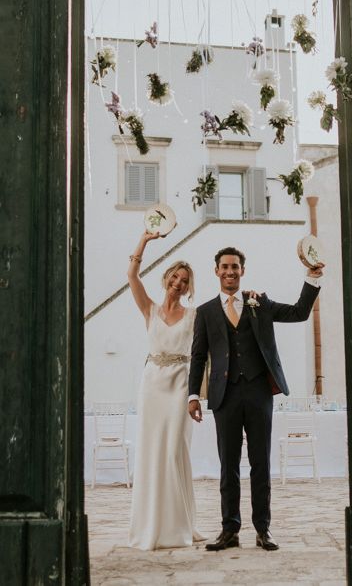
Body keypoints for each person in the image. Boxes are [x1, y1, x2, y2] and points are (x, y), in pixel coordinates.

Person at [188, 246, 324, 552]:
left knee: (260, 462)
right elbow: (198, 356)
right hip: (224, 395)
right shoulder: (206, 311)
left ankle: (263, 529)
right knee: (229, 465)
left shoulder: (258, 302)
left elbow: (299, 313)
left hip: (259, 391)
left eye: (235, 267)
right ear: (216, 271)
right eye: (224, 267)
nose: (230, 272)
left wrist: (312, 278)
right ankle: (230, 530)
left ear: (242, 271)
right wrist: (193, 395)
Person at [127, 230, 204, 550]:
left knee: (174, 452)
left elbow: (202, 356)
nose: (178, 282)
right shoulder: (149, 309)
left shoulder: (194, 316)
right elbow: (131, 275)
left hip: (179, 386)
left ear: (189, 287)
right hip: (151, 385)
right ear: (166, 278)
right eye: (175, 276)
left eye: (184, 280)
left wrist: (197, 394)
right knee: (151, 453)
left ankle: (178, 526)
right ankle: (151, 527)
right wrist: (144, 240)